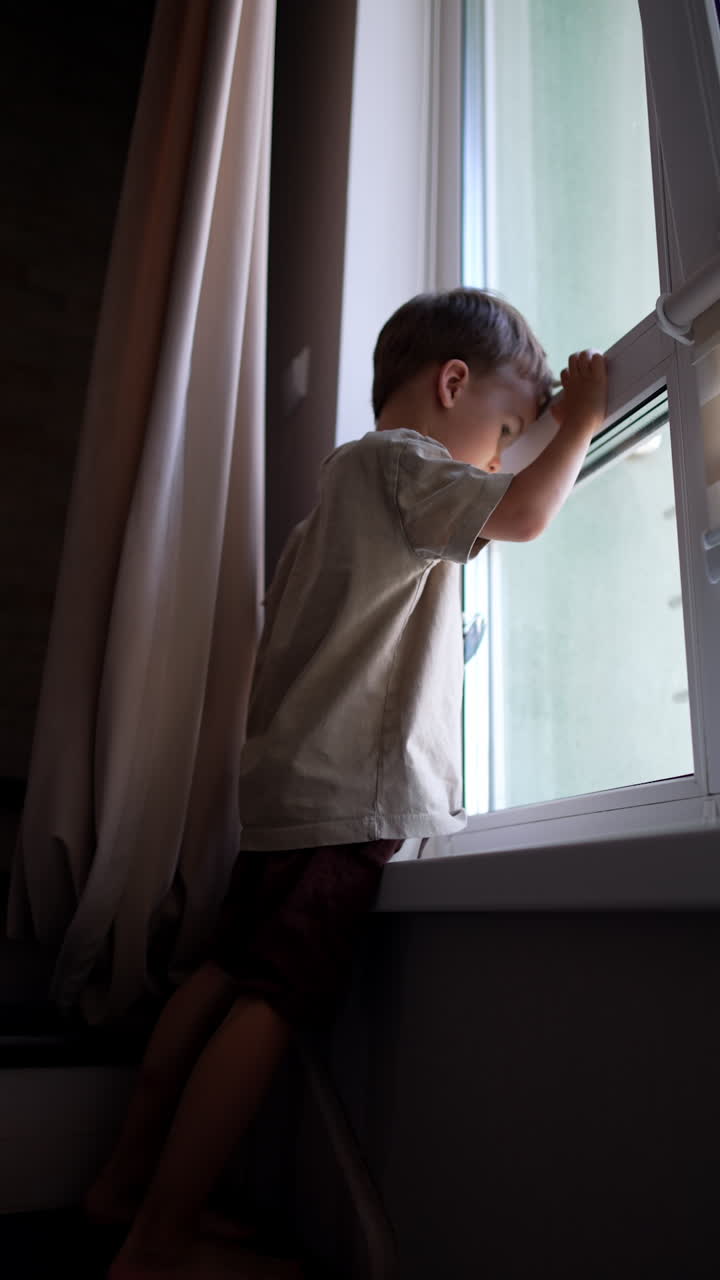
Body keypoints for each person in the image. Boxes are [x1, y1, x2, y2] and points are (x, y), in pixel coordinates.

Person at [87, 288, 607, 1278]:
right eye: (505, 427)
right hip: (343, 803)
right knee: (275, 1001)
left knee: (220, 974)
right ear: (452, 385)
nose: (501, 455)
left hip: (283, 793)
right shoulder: (412, 468)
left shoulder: (331, 501)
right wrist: (578, 412)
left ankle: (121, 1179)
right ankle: (158, 1238)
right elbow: (528, 515)